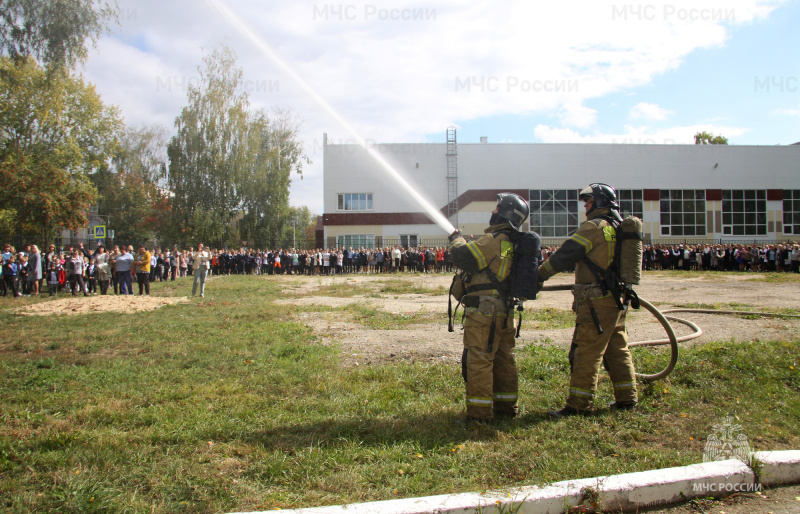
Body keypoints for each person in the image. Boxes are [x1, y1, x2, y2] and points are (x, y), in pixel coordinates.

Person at [537, 183, 637, 418]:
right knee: (617, 349)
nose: (586, 207)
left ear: (601, 202)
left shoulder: (594, 227)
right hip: (616, 298)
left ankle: (578, 406)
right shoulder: (616, 226)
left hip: (597, 301)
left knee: (587, 352)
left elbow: (566, 254)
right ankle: (627, 398)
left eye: (589, 202)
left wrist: (539, 276)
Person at [448, 192, 529, 424]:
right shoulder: (510, 242)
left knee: (480, 360)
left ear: (505, 213)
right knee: (504, 358)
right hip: (503, 311)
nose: (493, 211)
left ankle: (479, 415)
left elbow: (465, 257)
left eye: (497, 208)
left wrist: (456, 238)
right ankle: (506, 407)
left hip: (485, 312)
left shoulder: (495, 239)